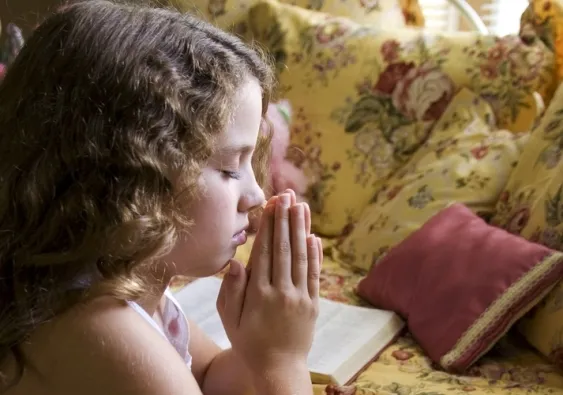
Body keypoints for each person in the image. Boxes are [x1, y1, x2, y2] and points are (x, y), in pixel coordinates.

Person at [0, 1, 323, 394]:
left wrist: (256, 351)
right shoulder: (100, 327)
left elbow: (208, 375)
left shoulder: (128, 284)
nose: (256, 196)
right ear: (127, 177)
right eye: (228, 168)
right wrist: (283, 359)